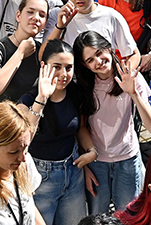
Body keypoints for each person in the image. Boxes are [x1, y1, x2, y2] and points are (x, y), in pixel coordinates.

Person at [73, 31, 151, 215]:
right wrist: (86, 166)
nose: (98, 61)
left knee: (129, 217)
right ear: (84, 65)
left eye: (99, 53)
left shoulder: (130, 77)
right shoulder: (85, 87)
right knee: (97, 217)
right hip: (96, 161)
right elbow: (81, 127)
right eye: (90, 60)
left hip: (127, 159)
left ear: (109, 48)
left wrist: (133, 93)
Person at [18, 40, 94, 225]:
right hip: (40, 179)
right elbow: (25, 137)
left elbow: (80, 128)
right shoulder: (27, 100)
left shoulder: (75, 93)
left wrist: (91, 151)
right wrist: (42, 97)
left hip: (73, 173)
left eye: (68, 68)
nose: (63, 74)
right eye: (57, 67)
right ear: (44, 67)